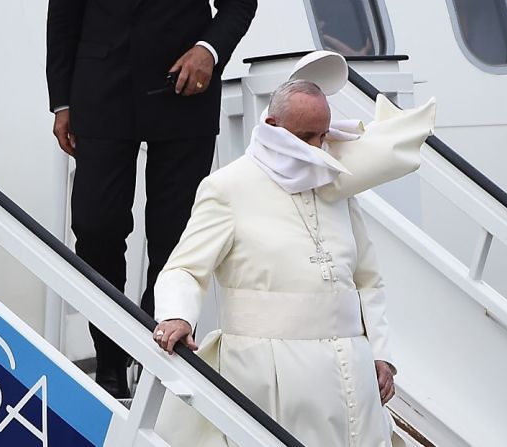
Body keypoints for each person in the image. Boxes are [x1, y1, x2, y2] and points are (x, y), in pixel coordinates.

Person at [151, 79, 404, 446]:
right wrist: (177, 314)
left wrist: (381, 354)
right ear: (272, 127)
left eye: (323, 135)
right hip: (266, 373)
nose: (318, 147)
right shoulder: (228, 187)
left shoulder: (336, 184)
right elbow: (185, 267)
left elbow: (367, 279)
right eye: (306, 136)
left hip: (350, 371)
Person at [46, 0, 257, 398]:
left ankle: (154, 352)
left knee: (175, 236)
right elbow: (64, 11)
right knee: (95, 227)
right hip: (100, 89)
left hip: (185, 86)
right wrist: (62, 101)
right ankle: (109, 358)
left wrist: (208, 50)